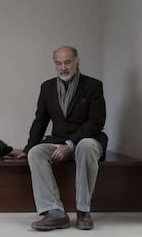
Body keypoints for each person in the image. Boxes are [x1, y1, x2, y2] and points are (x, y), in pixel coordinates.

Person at [12, 46, 107, 231]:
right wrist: (28, 148)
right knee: (36, 153)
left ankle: (83, 211)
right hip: (58, 139)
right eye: (58, 63)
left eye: (67, 62)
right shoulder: (47, 87)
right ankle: (55, 213)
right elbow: (40, 120)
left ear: (77, 62)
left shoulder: (93, 86)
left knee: (86, 146)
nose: (63, 67)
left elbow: (96, 122)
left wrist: (70, 145)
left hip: (88, 139)